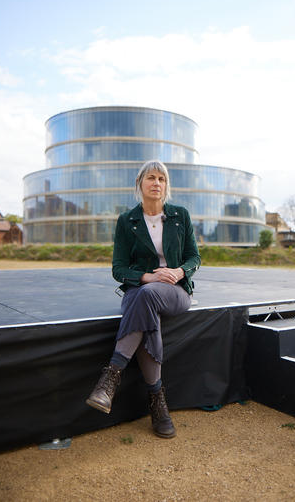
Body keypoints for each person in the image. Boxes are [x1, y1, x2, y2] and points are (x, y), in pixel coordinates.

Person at [86, 160, 201, 438]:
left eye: (162, 179)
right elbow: (119, 269)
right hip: (141, 290)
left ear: (166, 186)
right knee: (146, 302)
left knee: (147, 298)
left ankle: (111, 377)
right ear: (140, 184)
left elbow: (194, 257)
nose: (156, 183)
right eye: (151, 177)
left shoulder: (180, 215)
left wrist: (178, 271)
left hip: (176, 292)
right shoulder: (127, 221)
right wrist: (147, 277)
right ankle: (157, 403)